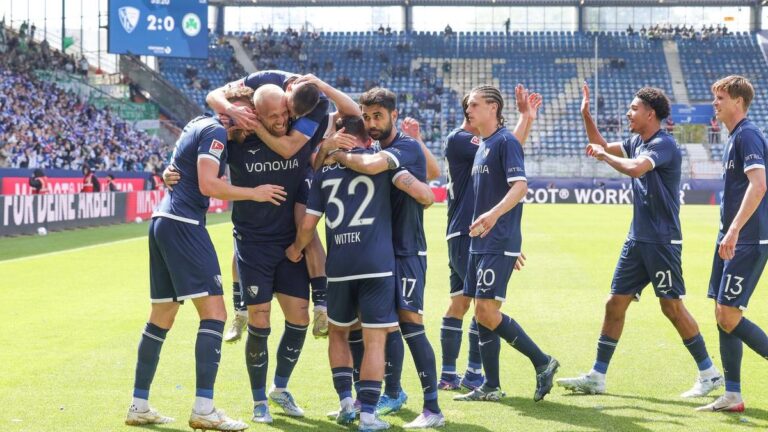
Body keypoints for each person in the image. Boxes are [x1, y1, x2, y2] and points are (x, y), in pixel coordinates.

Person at [125, 86, 285, 431]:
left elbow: (180, 168)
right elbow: (209, 185)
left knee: (161, 316)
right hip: (184, 223)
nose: (254, 124)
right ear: (235, 112)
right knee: (215, 314)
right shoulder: (215, 131)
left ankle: (139, 405)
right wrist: (255, 193)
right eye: (252, 115)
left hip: (163, 220)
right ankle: (204, 408)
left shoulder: (197, 124)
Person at [556, 83, 723, 398]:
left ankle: (709, 373)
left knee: (671, 307)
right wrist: (586, 115)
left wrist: (605, 156)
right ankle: (597, 376)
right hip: (637, 239)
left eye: (634, 109)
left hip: (661, 241)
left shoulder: (664, 144)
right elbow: (599, 144)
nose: (628, 113)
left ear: (650, 113)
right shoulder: (637, 141)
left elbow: (635, 168)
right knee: (614, 303)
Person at [326, 88, 442, 428]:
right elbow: (430, 174)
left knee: (409, 324)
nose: (371, 123)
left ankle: (433, 409)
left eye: (378, 116)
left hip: (407, 250)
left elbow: (423, 186)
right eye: (367, 117)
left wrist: (338, 152)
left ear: (394, 115)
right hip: (379, 254)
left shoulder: (401, 147)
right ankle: (379, 395)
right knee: (374, 325)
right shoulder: (378, 147)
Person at [287, 115, 398, 432]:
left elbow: (308, 225)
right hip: (377, 265)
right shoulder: (379, 163)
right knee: (374, 340)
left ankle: (346, 404)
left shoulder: (324, 173)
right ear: (367, 138)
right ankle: (368, 417)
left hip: (339, 267)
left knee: (338, 333)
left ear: (339, 135)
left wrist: (296, 249)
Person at [453, 85, 558, 403]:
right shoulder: (486, 145)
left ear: (493, 108)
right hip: (482, 241)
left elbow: (520, 186)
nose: (468, 109)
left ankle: (542, 361)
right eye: (468, 105)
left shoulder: (504, 141)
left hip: (496, 239)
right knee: (481, 312)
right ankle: (491, 385)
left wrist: (495, 218)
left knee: (486, 310)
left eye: (474, 104)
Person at [697, 75, 768, 413]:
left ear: (738, 101)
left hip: (748, 238)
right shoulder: (734, 137)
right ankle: (733, 395)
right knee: (722, 312)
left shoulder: (748, 135)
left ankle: (733, 394)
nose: (715, 103)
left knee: (728, 314)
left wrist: (735, 229)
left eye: (721, 98)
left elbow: (759, 185)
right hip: (731, 236)